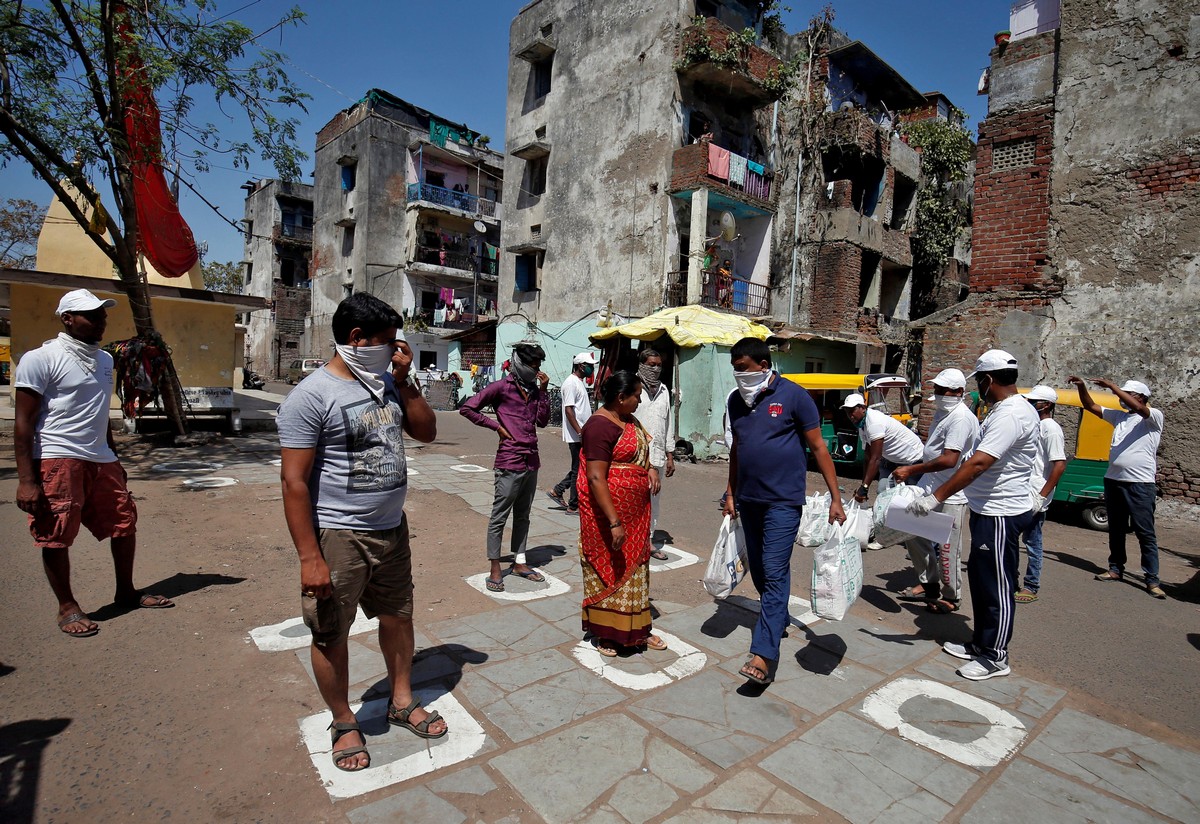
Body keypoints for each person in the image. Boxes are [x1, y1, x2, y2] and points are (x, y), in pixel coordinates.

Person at [277, 293, 446, 773]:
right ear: (356, 340)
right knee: (331, 631)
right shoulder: (311, 396)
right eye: (387, 343)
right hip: (339, 536)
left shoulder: (386, 384)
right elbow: (293, 482)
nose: (395, 350)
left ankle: (400, 699)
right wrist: (310, 557)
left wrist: (404, 380)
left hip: (392, 530)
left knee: (398, 617)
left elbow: (427, 432)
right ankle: (344, 720)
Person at [14, 289, 173, 638]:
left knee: (123, 523)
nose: (101, 320)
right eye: (91, 315)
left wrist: (113, 457)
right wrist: (27, 480)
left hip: (101, 458)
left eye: (102, 314)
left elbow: (100, 415)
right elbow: (24, 422)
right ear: (67, 318)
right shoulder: (40, 358)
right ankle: (67, 607)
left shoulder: (104, 360)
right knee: (55, 534)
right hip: (58, 457)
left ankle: (126, 591)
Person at [908, 350, 1039, 681]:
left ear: (988, 380)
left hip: (1001, 513)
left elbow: (978, 462)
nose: (978, 387)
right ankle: (981, 643)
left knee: (997, 585)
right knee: (982, 583)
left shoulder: (1010, 414)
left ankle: (995, 656)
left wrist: (936, 497)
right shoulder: (1001, 411)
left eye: (979, 381)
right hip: (986, 509)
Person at [724, 337, 846, 686]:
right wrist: (730, 492)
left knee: (775, 571)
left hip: (783, 502)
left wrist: (836, 498)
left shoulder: (794, 396)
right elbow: (737, 450)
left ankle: (763, 654)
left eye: (744, 368)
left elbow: (819, 448)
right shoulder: (736, 401)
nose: (738, 375)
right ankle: (776, 619)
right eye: (735, 368)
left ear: (764, 366)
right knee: (761, 570)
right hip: (749, 499)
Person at [578, 371, 666, 656]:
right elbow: (595, 477)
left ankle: (639, 630)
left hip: (637, 516)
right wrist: (614, 522)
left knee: (636, 573)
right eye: (636, 396)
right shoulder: (599, 426)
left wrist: (650, 468)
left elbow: (642, 451)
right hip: (608, 517)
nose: (639, 401)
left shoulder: (628, 421)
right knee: (610, 573)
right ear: (620, 397)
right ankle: (607, 634)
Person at [460, 342, 550, 592]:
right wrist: (496, 427)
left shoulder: (533, 389)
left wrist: (543, 390)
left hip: (531, 459)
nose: (537, 370)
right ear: (520, 363)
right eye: (533, 365)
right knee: (499, 515)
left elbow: (542, 421)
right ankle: (495, 567)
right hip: (509, 460)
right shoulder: (501, 387)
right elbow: (467, 408)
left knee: (523, 515)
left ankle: (520, 561)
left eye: (539, 366)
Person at [1068, 376, 1165, 598]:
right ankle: (1115, 568)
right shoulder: (1119, 417)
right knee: (1117, 529)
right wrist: (1082, 387)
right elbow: (1090, 406)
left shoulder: (1153, 417)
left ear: (1140, 397)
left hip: (1140, 484)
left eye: (1127, 394)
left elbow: (1139, 408)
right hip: (1114, 481)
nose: (1121, 398)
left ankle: (1152, 579)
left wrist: (1112, 387)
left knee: (1144, 532)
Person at [893, 368, 979, 614]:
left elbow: (950, 459)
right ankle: (929, 584)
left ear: (960, 392)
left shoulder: (960, 418)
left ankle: (952, 597)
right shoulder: (943, 412)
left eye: (944, 390)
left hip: (952, 491)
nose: (939, 394)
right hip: (930, 485)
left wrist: (911, 469)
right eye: (937, 390)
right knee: (911, 531)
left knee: (948, 548)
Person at [843, 391, 924, 549]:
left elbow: (876, 458)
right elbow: (867, 457)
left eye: (852, 410)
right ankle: (885, 536)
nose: (850, 415)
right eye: (847, 411)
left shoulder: (874, 422)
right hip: (892, 459)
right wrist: (863, 486)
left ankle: (917, 540)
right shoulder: (862, 426)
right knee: (883, 494)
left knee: (914, 500)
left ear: (862, 408)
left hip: (913, 459)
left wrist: (865, 487)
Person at [1015, 385, 1067, 603]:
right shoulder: (1032, 424)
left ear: (1046, 405)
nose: (1030, 403)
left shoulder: (1051, 428)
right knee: (1011, 538)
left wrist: (1042, 496)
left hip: (1035, 493)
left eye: (1034, 401)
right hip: (1021, 490)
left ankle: (1031, 585)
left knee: (1032, 541)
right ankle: (1009, 578)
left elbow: (1059, 465)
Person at [630, 348, 675, 560]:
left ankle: (648, 540)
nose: (655, 369)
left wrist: (670, 454)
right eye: (651, 365)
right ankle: (631, 538)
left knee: (653, 500)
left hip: (656, 456)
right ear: (641, 365)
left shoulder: (665, 391)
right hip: (634, 455)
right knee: (633, 498)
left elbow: (668, 423)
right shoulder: (632, 387)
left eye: (658, 365)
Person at [546, 351, 596, 514]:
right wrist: (580, 431)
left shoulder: (579, 382)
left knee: (580, 466)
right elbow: (569, 410)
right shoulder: (571, 383)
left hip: (582, 433)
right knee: (578, 469)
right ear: (581, 366)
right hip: (577, 435)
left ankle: (558, 490)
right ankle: (573, 505)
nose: (591, 369)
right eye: (589, 366)